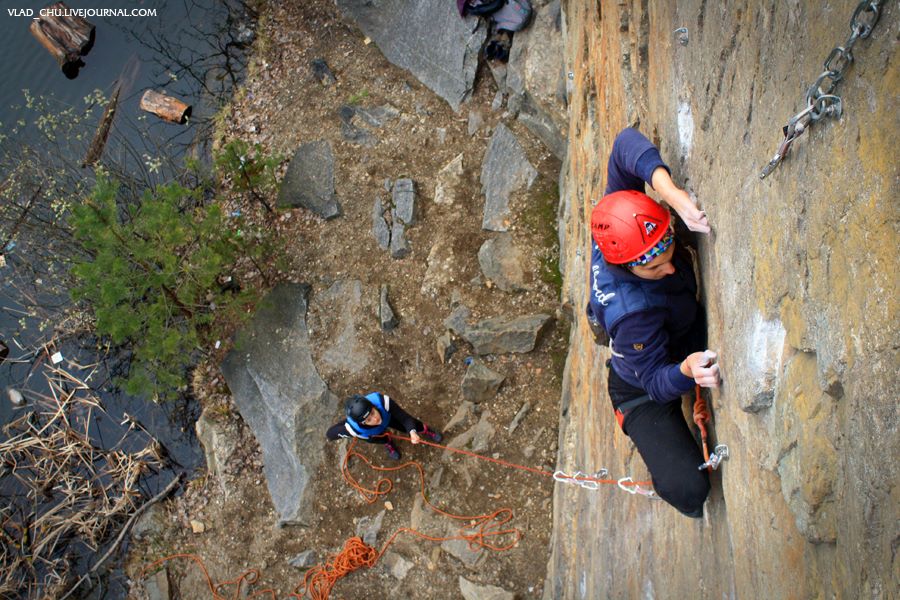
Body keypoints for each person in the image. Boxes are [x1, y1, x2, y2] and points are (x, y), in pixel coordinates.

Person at [586, 128, 721, 518]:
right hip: (638, 387)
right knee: (689, 487)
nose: (668, 266)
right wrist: (686, 370)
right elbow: (656, 385)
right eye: (654, 266)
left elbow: (624, 143)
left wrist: (673, 196)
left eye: (668, 252)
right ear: (627, 264)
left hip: (667, 331)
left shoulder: (616, 223)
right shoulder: (633, 315)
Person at [326, 392, 443, 460]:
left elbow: (404, 418)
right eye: (368, 419)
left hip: (388, 418)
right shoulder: (353, 429)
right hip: (371, 433)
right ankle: (387, 442)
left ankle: (425, 430)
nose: (375, 419)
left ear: (373, 406)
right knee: (380, 439)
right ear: (362, 423)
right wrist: (341, 430)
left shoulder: (382, 402)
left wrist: (412, 432)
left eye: (372, 412)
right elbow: (331, 433)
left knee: (409, 425)